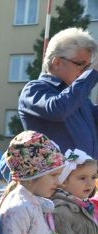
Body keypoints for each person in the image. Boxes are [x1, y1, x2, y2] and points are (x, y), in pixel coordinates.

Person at [18, 28, 98, 157]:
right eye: (81, 64)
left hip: (88, 170)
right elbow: (58, 109)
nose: (85, 72)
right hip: (56, 171)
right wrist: (93, 72)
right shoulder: (33, 89)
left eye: (88, 67)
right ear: (57, 62)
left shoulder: (78, 96)